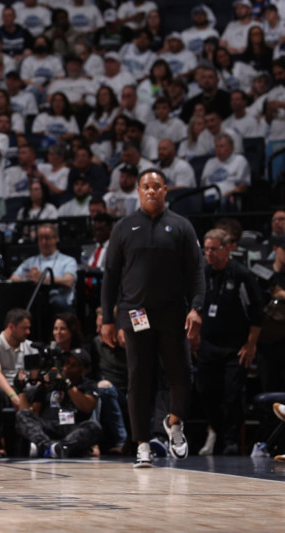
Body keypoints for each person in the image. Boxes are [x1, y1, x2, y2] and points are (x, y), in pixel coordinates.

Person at [101, 168, 205, 468]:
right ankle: (143, 444)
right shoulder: (124, 227)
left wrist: (196, 307)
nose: (151, 191)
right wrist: (108, 318)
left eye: (156, 186)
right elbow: (110, 276)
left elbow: (196, 272)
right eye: (146, 186)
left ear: (165, 190)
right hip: (136, 313)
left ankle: (174, 425)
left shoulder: (181, 226)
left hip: (173, 312)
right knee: (139, 379)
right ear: (138, 191)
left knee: (181, 374)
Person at [197, 228, 262, 455]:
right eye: (206, 249)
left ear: (227, 249)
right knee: (206, 391)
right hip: (208, 344)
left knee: (232, 394)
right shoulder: (203, 274)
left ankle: (231, 440)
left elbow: (256, 312)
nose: (209, 254)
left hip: (235, 347)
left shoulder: (241, 275)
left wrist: (251, 344)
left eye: (214, 249)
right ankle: (215, 430)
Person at [0, 308, 38, 454]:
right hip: (3, 390)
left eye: (29, 328)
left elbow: (34, 378)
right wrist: (13, 396)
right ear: (11, 327)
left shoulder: (31, 348)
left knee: (36, 390)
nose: (28, 332)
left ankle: (35, 439)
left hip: (23, 389)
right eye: (24, 328)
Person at [9, 223, 77, 313]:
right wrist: (28, 278)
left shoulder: (68, 261)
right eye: (41, 238)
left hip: (59, 303)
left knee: (57, 301)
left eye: (47, 238)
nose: (44, 242)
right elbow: (13, 278)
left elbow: (69, 281)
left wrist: (42, 278)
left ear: (55, 238)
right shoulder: (30, 262)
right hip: (36, 302)